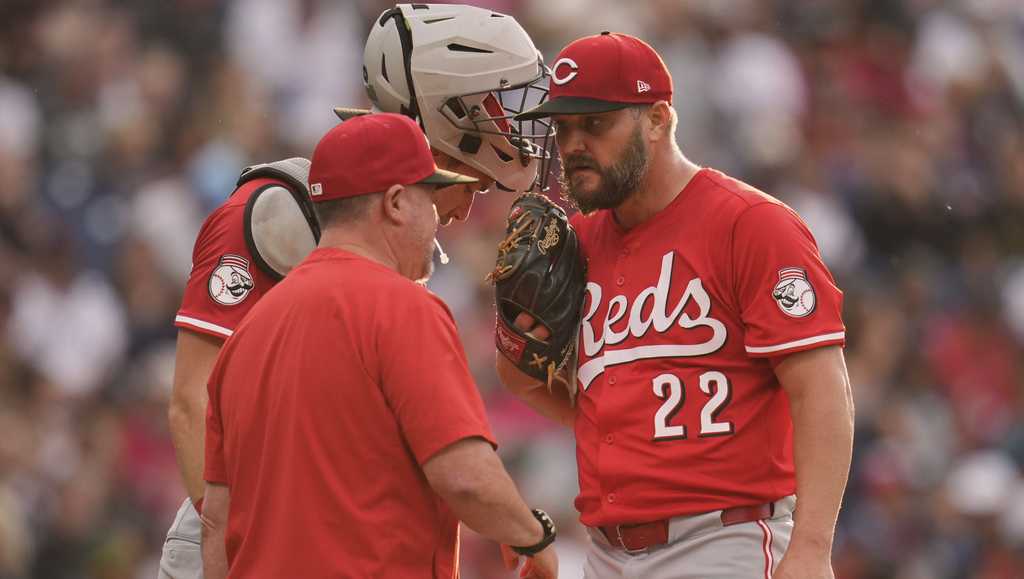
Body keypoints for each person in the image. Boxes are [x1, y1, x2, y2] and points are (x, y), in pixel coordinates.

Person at [160, 4, 552, 577]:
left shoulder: (390, 245)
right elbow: (192, 403)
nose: (469, 208)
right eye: (474, 185)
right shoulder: (279, 213)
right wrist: (246, 538)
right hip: (250, 538)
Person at [500, 32, 855, 579]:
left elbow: (822, 389)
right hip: (605, 552)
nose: (574, 144)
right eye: (563, 127)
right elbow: (520, 377)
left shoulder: (750, 225)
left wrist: (811, 545)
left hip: (722, 539)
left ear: (658, 119)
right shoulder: (576, 243)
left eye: (595, 123)